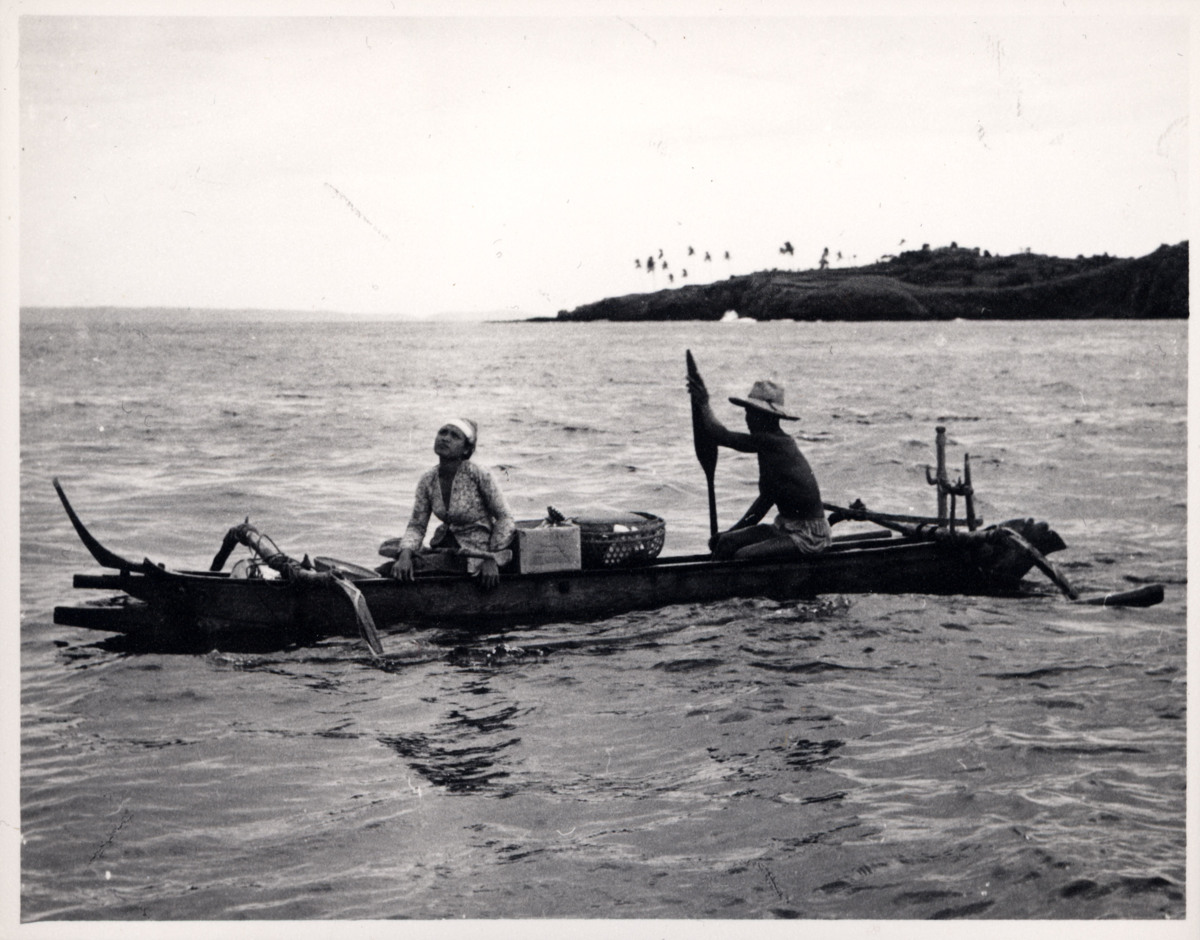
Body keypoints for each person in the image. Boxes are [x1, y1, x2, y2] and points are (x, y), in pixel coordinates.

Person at [687, 372, 831, 560]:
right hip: (785, 526)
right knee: (726, 543)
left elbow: (720, 435)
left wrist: (704, 402)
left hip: (809, 535)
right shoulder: (769, 450)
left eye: (752, 414)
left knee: (743, 556)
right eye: (747, 413)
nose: (747, 419)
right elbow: (763, 503)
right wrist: (729, 534)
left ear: (767, 417)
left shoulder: (775, 443)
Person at [380, 418, 516, 589]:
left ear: (466, 449)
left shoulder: (478, 474)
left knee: (387, 570)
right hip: (444, 548)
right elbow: (417, 526)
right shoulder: (428, 480)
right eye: (442, 432)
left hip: (475, 555)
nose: (445, 438)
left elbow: (505, 518)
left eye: (454, 436)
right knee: (391, 551)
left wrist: (491, 558)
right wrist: (405, 555)